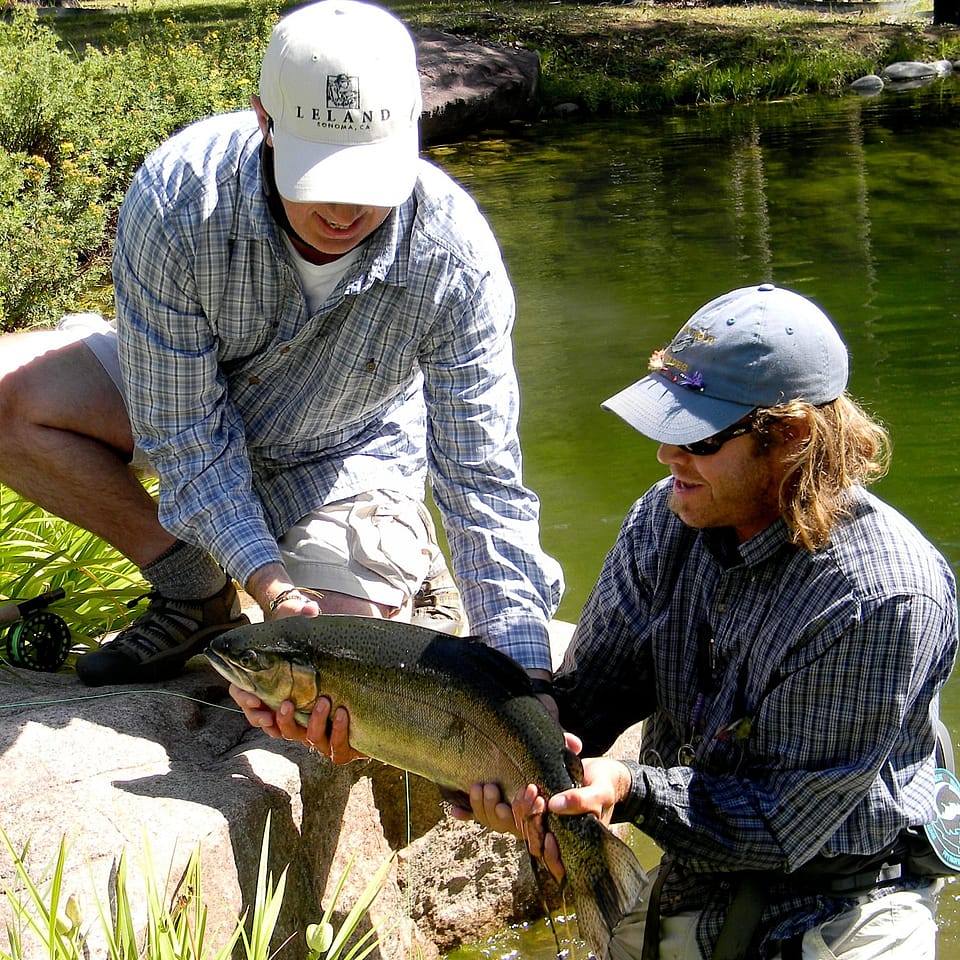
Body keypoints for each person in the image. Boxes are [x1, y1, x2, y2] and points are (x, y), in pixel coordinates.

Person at [0, 0, 562, 695]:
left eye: (372, 180)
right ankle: (193, 591)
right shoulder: (179, 196)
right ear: (265, 120)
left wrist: (525, 678)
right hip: (181, 397)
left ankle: (392, 573)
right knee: (6, 400)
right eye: (322, 178)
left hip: (346, 449)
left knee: (334, 680)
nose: (344, 212)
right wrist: (266, 581)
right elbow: (181, 432)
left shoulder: (454, 256)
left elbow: (483, 483)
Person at [459, 283, 959, 959]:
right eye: (667, 426)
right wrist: (493, 756)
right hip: (701, 867)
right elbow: (582, 710)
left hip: (849, 895)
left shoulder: (885, 598)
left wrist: (631, 789)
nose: (669, 456)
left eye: (696, 435)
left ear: (791, 436)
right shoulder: (665, 520)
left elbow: (782, 823)